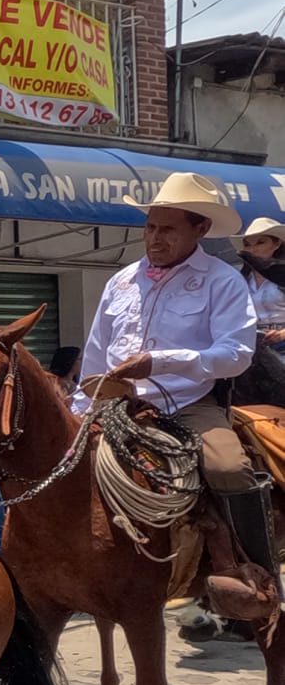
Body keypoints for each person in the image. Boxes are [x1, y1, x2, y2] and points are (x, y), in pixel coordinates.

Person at [76, 171, 276, 603]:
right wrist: (80, 405)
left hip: (189, 404)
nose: (154, 238)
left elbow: (236, 354)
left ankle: (256, 576)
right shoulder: (121, 281)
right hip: (115, 406)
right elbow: (95, 353)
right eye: (150, 227)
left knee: (228, 468)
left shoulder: (222, 280)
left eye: (168, 228)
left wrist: (162, 362)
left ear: (199, 229)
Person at [239, 217, 285, 352]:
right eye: (248, 245)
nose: (253, 249)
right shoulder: (241, 278)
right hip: (254, 346)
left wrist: (282, 334)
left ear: (276, 244)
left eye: (260, 243)